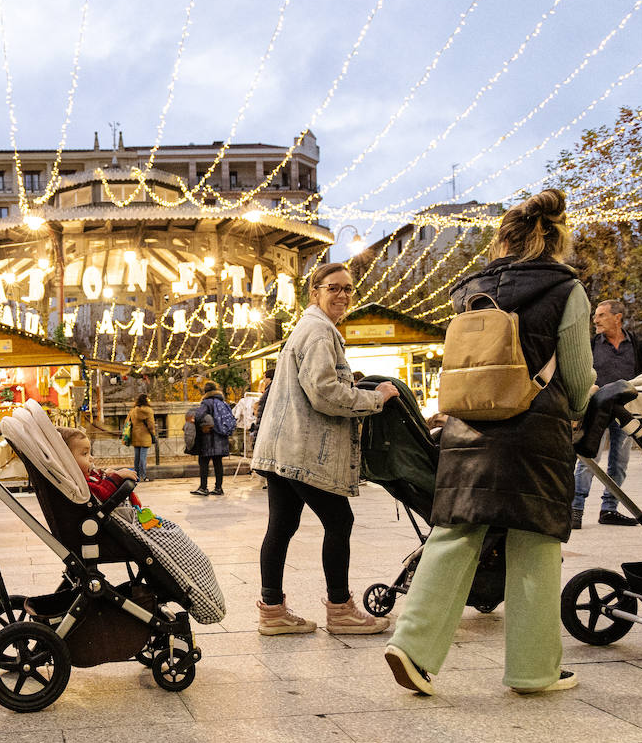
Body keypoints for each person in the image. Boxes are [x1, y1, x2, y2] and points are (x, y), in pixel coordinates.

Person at [385, 189, 595, 696]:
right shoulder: (567, 289)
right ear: (556, 236)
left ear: (504, 236)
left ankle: (411, 647)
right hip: (534, 427)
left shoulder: (468, 290)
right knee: (535, 543)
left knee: (454, 532)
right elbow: (576, 371)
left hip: (467, 427)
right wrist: (582, 409)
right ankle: (532, 669)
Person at [251, 262, 398, 636]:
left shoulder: (310, 328)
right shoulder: (318, 332)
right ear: (315, 291)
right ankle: (340, 609)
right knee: (339, 521)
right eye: (334, 288)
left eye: (348, 289)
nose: (343, 295)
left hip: (283, 447)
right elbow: (324, 392)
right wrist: (374, 398)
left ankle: (272, 611)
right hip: (301, 449)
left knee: (281, 526)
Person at [571, 298, 642, 529]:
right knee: (589, 460)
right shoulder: (591, 345)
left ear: (617, 317)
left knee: (620, 462)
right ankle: (575, 511)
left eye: (601, 315)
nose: (595, 320)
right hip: (596, 408)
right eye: (595, 315)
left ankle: (609, 510)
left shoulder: (637, 343)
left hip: (626, 411)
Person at [59, 426, 140, 507]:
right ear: (67, 459)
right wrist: (116, 478)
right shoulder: (79, 486)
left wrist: (105, 475)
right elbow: (101, 494)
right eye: (85, 453)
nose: (92, 458)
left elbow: (97, 480)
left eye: (89, 453)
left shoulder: (86, 476)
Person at [191, 382, 235, 496]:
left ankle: (203, 487)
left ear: (205, 392)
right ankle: (218, 487)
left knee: (203, 462)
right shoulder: (222, 402)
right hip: (221, 439)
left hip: (208, 439)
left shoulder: (206, 403)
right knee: (218, 463)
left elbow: (199, 416)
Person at [127, 394, 156, 482]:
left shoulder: (133, 411)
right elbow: (151, 425)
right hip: (145, 435)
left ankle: (136, 476)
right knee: (143, 457)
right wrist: (153, 434)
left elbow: (128, 422)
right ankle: (144, 476)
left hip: (135, 435)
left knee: (137, 457)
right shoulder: (148, 411)